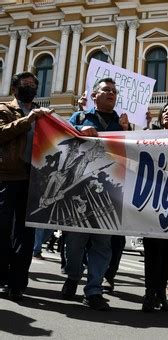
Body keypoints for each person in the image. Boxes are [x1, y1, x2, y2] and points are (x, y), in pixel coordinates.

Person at [61, 77, 129, 311]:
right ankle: (72, 276)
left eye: (114, 91)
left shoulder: (121, 124)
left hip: (108, 192)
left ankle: (93, 290)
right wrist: (79, 130)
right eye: (106, 90)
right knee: (75, 242)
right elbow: (62, 138)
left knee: (102, 244)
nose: (111, 93)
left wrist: (127, 131)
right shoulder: (79, 118)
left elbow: (129, 155)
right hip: (79, 190)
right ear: (94, 96)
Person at [0, 71, 53, 301]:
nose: (30, 86)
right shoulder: (4, 109)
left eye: (33, 84)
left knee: (25, 233)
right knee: (2, 230)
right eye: (25, 84)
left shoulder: (45, 114)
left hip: (32, 179)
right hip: (7, 176)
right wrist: (28, 119)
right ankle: (2, 278)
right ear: (15, 88)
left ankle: (18, 281)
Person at [141, 103, 168, 312]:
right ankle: (149, 293)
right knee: (152, 250)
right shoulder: (152, 134)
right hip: (152, 199)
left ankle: (160, 292)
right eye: (165, 111)